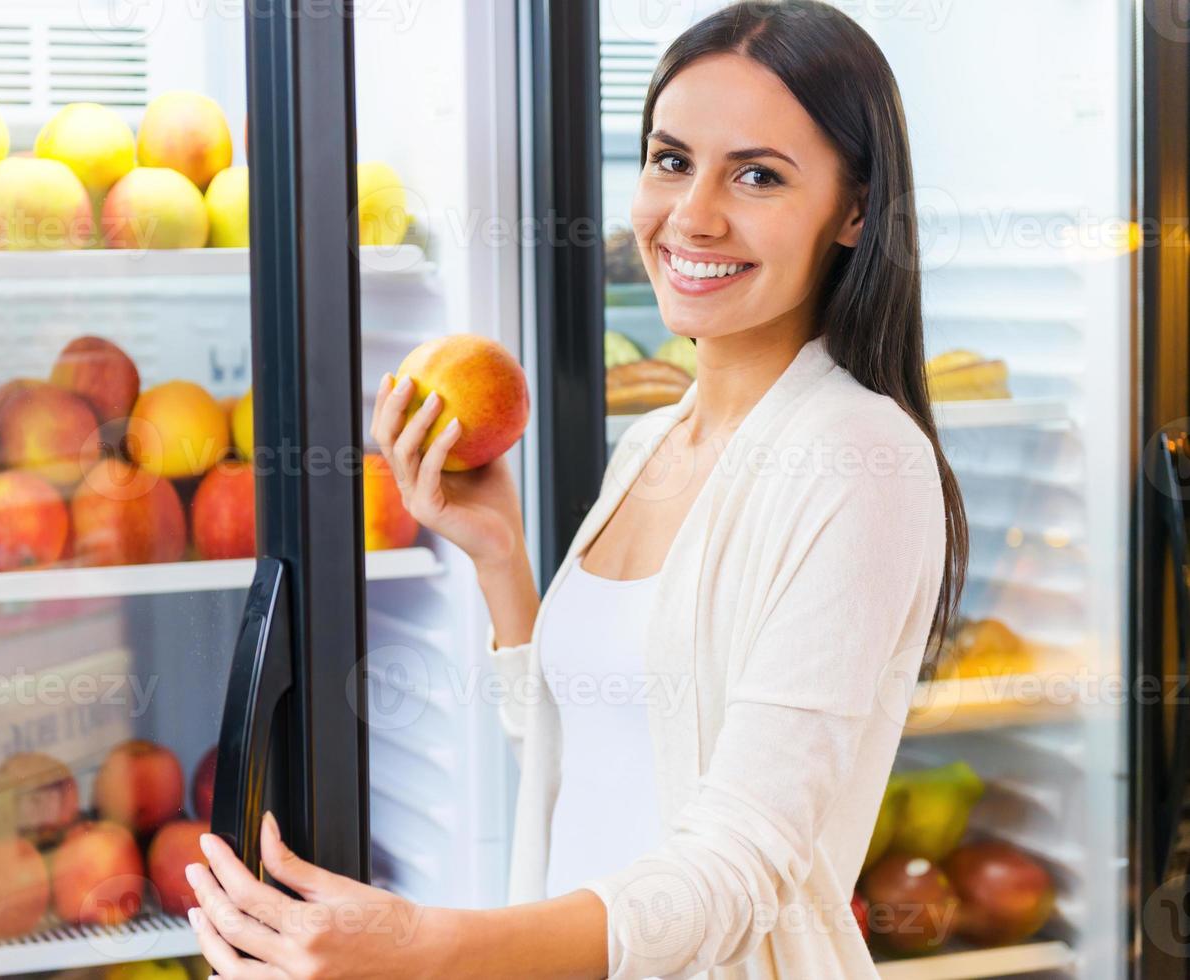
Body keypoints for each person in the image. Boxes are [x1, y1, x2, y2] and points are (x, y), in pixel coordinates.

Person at [181, 1, 967, 976]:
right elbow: (593, 752)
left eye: (756, 174)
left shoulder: (856, 458)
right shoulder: (650, 439)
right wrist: (501, 559)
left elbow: (735, 865)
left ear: (854, 210)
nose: (691, 214)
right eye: (669, 159)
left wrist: (423, 946)